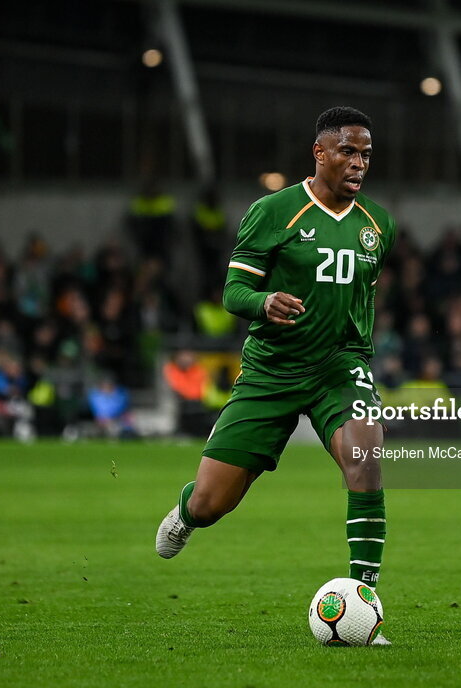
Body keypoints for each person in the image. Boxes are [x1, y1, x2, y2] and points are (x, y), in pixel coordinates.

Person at [155, 107, 396, 640]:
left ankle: (365, 598)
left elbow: (362, 301)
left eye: (366, 155)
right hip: (272, 369)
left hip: (341, 367)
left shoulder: (378, 225)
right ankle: (186, 510)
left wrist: (355, 353)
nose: (359, 164)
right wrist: (264, 303)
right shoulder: (273, 211)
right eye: (349, 152)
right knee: (212, 504)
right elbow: (232, 292)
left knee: (367, 460)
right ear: (320, 153)